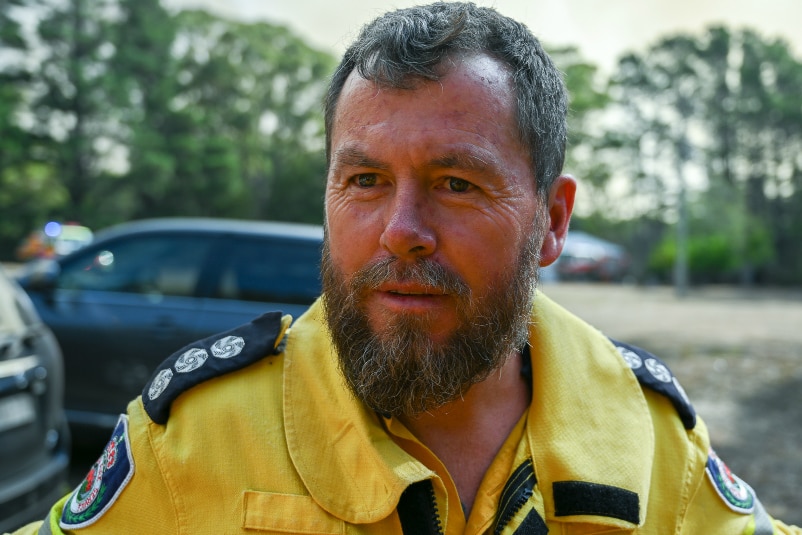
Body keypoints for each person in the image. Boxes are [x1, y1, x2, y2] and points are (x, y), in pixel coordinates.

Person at [10, 2, 800, 534]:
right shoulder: (192, 438)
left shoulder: (653, 437)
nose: (402, 231)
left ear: (552, 221)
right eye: (365, 181)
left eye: (457, 184)